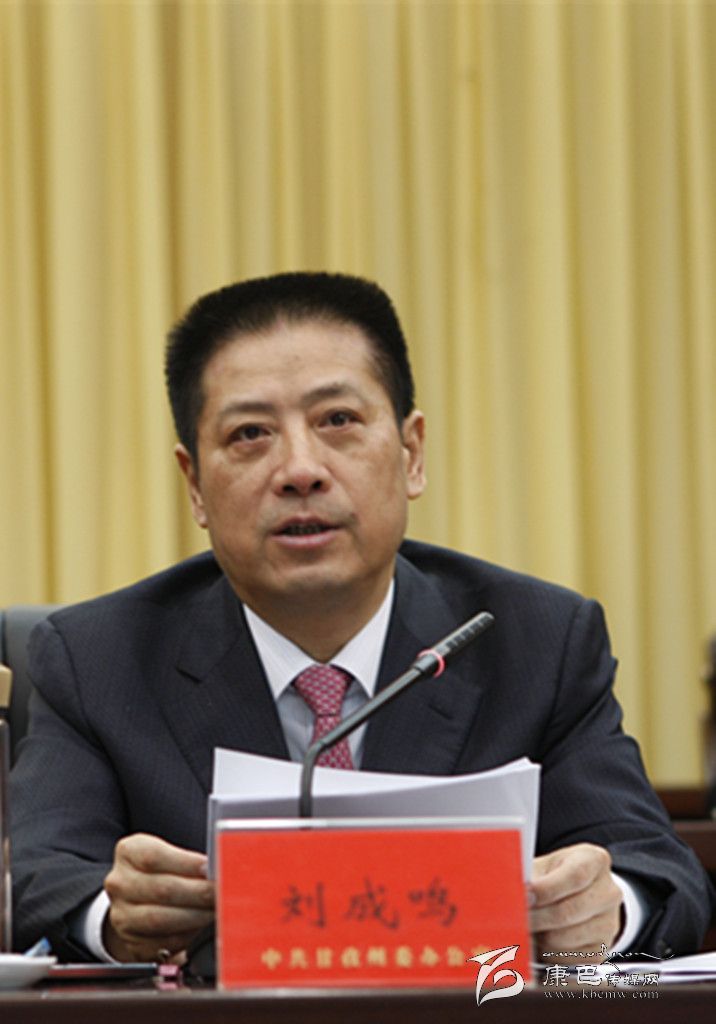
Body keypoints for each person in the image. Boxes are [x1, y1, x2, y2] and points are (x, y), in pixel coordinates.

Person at [10, 272, 714, 966]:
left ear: (412, 453)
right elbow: (41, 884)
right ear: (194, 484)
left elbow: (658, 875)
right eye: (250, 433)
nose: (300, 469)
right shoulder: (96, 659)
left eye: (338, 421)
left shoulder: (537, 641)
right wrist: (115, 922)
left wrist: (603, 910)